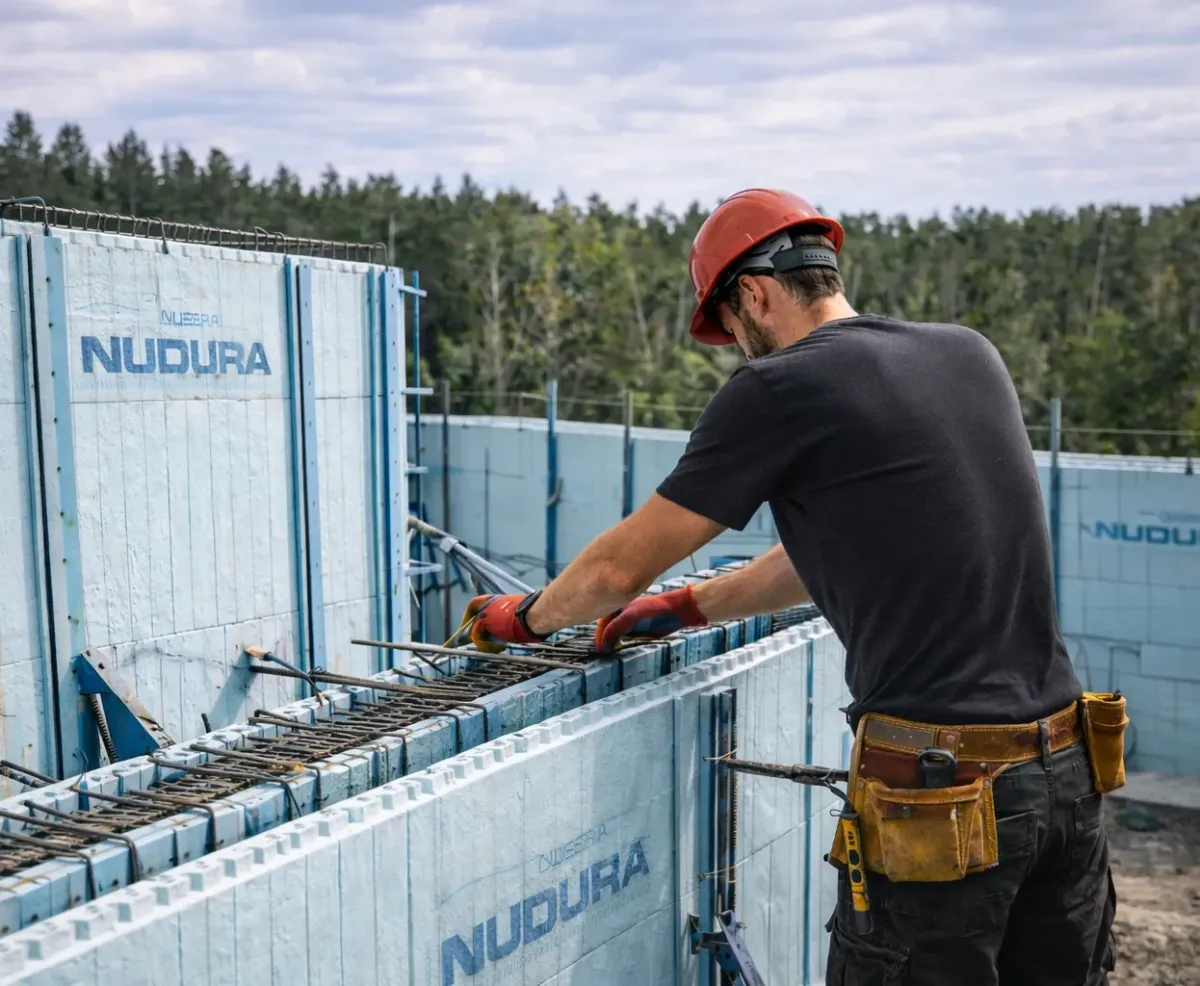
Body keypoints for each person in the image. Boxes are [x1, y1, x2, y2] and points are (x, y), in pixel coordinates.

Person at [461, 187, 1118, 985]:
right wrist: (687, 604)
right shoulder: (967, 352)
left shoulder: (781, 387)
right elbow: (844, 549)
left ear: (755, 292)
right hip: (1066, 779)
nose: (738, 348)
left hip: (942, 801)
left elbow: (611, 570)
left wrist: (526, 616)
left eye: (733, 329)